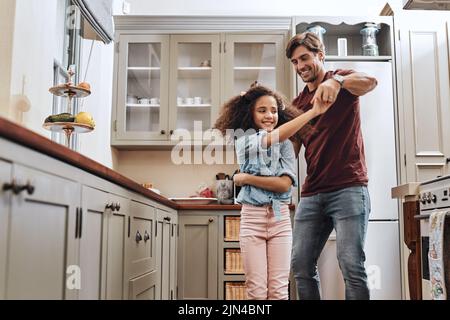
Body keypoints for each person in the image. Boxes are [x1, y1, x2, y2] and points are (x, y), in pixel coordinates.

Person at [214, 84, 332, 300]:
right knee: (256, 291)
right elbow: (271, 140)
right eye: (262, 110)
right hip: (252, 218)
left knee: (279, 291)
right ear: (250, 113)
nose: (270, 115)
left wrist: (246, 178)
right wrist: (313, 112)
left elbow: (284, 185)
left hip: (279, 217)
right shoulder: (244, 140)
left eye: (274, 110)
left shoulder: (286, 144)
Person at [285, 31, 378, 300]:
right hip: (312, 193)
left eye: (304, 58)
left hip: (349, 188)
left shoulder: (343, 79)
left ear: (320, 55)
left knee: (351, 265)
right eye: (294, 61)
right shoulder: (298, 104)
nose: (300, 66)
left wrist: (337, 81)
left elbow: (371, 82)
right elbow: (290, 150)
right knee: (301, 265)